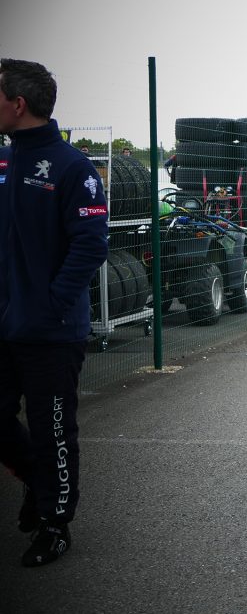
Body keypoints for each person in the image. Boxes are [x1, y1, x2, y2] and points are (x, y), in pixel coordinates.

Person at [0, 59, 109, 565]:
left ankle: (54, 523)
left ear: (17, 104)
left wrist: (50, 304)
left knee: (53, 430)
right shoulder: (4, 162)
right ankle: (37, 482)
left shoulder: (71, 167)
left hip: (51, 331)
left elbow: (90, 246)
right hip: (4, 324)